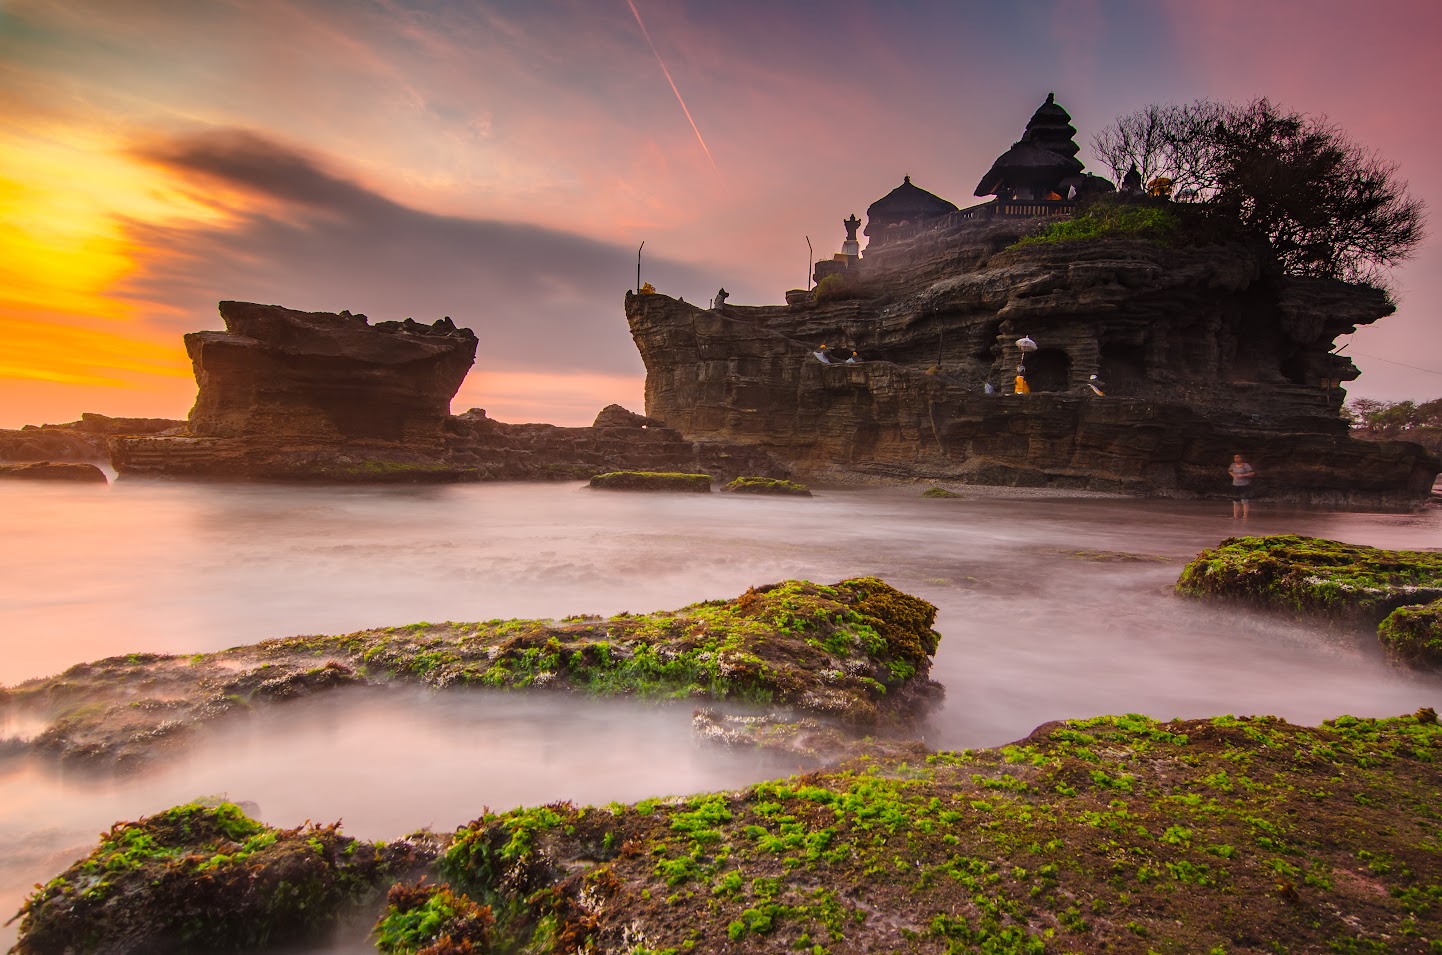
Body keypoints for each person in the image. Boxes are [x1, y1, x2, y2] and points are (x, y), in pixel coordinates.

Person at [1228, 453, 1256, 519]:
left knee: (1244, 501)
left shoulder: (1245, 465)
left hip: (1244, 485)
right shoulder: (1233, 465)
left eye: (1238, 457)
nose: (1236, 459)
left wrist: (1243, 475)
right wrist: (1233, 475)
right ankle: (1235, 516)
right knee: (1235, 501)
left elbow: (1252, 473)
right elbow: (1229, 471)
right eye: (1235, 457)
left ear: (1241, 458)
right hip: (1235, 485)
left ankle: (1245, 516)